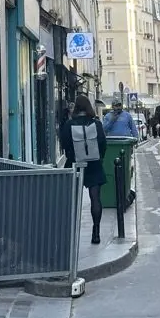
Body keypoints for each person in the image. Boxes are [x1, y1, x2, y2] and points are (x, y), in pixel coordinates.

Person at [60, 95, 109, 244]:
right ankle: (96, 233)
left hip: (75, 164)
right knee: (95, 199)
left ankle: (72, 233)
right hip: (94, 164)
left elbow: (64, 144)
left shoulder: (69, 124)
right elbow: (103, 143)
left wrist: (72, 157)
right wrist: (99, 158)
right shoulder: (96, 124)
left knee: (72, 200)